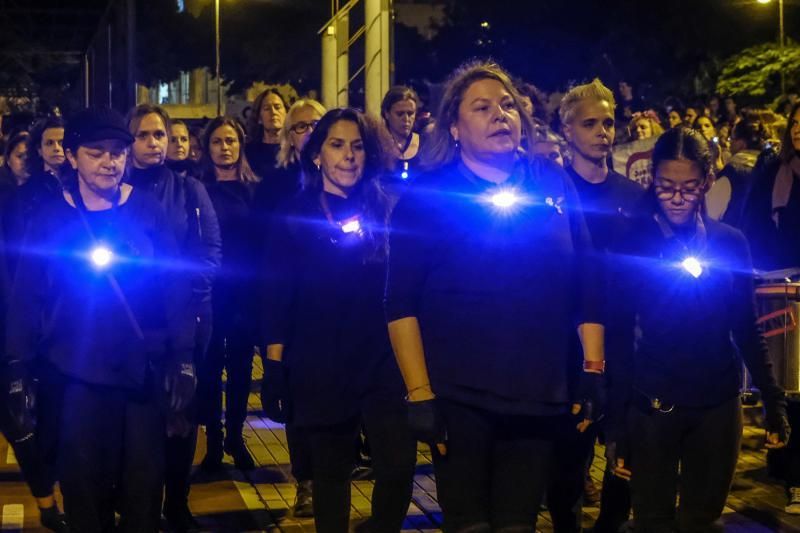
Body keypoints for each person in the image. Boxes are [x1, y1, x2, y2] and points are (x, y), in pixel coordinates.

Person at [385, 60, 605, 533]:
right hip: (458, 395)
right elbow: (399, 302)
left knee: (517, 524)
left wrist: (592, 370)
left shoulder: (553, 182)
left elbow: (588, 281)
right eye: (482, 108)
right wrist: (419, 395)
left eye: (507, 105)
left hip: (538, 391)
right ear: (455, 127)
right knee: (468, 524)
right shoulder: (427, 197)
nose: (500, 115)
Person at [5, 107, 197, 532]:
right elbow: (27, 297)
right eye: (96, 153)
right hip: (74, 379)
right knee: (85, 498)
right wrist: (17, 370)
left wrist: (183, 357)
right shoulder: (49, 218)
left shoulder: (148, 211)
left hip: (141, 379)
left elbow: (175, 286)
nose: (110, 162)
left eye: (117, 152)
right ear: (72, 157)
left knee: (143, 496)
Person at [605, 126, 790, 532]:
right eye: (666, 186)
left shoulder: (729, 242)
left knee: (701, 522)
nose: (676, 198)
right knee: (652, 521)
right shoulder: (632, 238)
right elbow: (618, 332)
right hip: (653, 404)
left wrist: (773, 402)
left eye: (688, 188)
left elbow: (745, 325)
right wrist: (616, 423)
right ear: (652, 178)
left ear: (707, 181)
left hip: (717, 406)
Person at [261, 108, 417, 533]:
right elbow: (278, 295)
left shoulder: (388, 208)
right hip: (319, 363)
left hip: (383, 361)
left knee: (399, 466)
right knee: (331, 479)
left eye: (357, 145)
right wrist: (275, 366)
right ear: (317, 155)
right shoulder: (294, 214)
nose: (348, 156)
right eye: (336, 145)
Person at [554, 78, 645, 533]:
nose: (602, 131)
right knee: (569, 461)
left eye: (608, 122)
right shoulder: (551, 194)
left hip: (625, 340)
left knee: (625, 455)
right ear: (567, 129)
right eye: (590, 123)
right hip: (568, 345)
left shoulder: (633, 196)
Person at [125, 104, 222, 531]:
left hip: (186, 319)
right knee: (141, 416)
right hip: (132, 321)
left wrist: (191, 293)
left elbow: (210, 252)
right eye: (143, 135)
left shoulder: (188, 190)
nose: (153, 143)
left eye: (159, 135)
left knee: (183, 412)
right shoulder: (119, 188)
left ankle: (178, 503)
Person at [264, 97, 327, 518]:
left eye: (315, 126)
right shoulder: (278, 182)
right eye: (300, 127)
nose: (307, 133)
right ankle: (306, 482)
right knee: (300, 406)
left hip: (339, 306)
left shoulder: (347, 176)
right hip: (296, 309)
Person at [197, 117, 259, 473]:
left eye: (231, 141)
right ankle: (214, 442)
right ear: (208, 147)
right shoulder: (198, 188)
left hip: (243, 290)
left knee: (239, 369)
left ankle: (236, 436)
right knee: (208, 369)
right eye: (218, 141)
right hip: (210, 290)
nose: (225, 147)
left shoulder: (253, 190)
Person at [706, 112, 767, 227]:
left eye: (732, 139)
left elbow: (710, 214)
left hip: (733, 241)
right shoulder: (772, 169)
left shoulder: (733, 172)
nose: (729, 144)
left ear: (741, 144)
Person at [381, 86, 423, 183]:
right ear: (387, 114)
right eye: (400, 114)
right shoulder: (377, 144)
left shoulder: (425, 144)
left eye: (410, 113)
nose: (406, 119)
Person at [246, 88, 289, 180]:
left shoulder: (295, 149)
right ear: (259, 118)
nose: (273, 112)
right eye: (267, 109)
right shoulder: (248, 152)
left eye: (277, 107)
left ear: (286, 113)